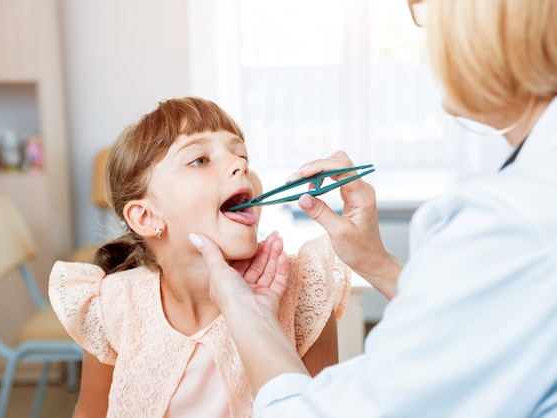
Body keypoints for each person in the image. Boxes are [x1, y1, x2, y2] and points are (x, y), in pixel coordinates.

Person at [190, 0, 557, 416]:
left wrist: (247, 315)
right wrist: (376, 262)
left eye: (426, 10)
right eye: (199, 160)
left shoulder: (514, 221)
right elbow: (491, 328)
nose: (427, 35)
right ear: (143, 216)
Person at [48, 96, 351, 417]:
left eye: (241, 153)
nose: (241, 165)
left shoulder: (303, 289)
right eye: (200, 160)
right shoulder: (112, 305)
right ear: (147, 217)